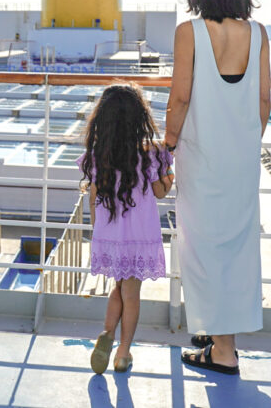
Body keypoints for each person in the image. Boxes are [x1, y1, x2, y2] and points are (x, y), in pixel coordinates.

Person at [164, 0, 271, 376]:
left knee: (201, 243)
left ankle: (223, 350)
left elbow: (180, 98)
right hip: (241, 158)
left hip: (200, 154)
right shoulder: (259, 34)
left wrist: (168, 144)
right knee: (237, 246)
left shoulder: (189, 32)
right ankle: (217, 334)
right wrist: (242, 142)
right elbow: (263, 101)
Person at [77, 84, 174, 374]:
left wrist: (98, 233)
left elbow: (94, 198)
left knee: (118, 287)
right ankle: (123, 353)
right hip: (139, 237)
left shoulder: (99, 156)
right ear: (139, 118)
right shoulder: (150, 155)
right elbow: (160, 192)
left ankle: (107, 332)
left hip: (110, 235)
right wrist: (169, 172)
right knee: (131, 294)